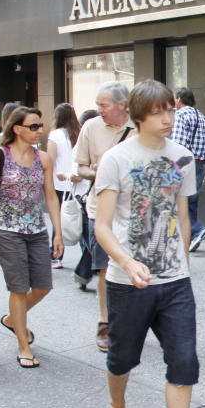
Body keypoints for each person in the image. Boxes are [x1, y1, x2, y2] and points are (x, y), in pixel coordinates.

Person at [93, 79, 205, 408]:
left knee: (184, 360)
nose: (167, 118)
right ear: (138, 116)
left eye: (170, 110)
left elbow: (182, 214)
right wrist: (127, 263)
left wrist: (186, 267)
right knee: (122, 357)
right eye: (159, 111)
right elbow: (103, 227)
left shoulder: (182, 157)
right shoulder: (116, 158)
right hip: (129, 282)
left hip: (175, 279)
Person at [0, 107, 63, 368]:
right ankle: (23, 346)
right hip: (6, 229)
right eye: (34, 126)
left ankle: (13, 319)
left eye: (40, 126)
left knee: (43, 285)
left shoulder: (44, 159)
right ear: (17, 129)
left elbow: (50, 195)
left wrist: (57, 231)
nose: (40, 131)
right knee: (18, 287)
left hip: (36, 229)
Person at [73, 82, 135, 352]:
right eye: (98, 105)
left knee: (135, 268)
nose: (99, 110)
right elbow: (81, 169)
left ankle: (134, 321)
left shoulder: (139, 127)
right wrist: (97, 172)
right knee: (104, 269)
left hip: (135, 213)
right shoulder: (91, 127)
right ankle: (105, 324)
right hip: (100, 211)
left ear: (122, 105)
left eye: (104, 105)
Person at [170, 87, 205, 253]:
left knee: (180, 201)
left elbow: (179, 143)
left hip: (186, 163)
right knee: (192, 201)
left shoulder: (180, 115)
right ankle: (191, 239)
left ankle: (196, 230)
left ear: (179, 99)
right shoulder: (203, 118)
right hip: (200, 163)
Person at [46, 103, 83, 269]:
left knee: (58, 220)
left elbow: (50, 161)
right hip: (78, 183)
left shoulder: (55, 135)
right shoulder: (79, 132)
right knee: (80, 219)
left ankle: (56, 256)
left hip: (60, 182)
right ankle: (87, 258)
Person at [71, 109, 98, 286]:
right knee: (91, 239)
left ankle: (85, 272)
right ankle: (86, 272)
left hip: (87, 196)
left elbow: (76, 174)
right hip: (87, 197)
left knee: (89, 240)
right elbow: (79, 169)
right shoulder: (87, 142)